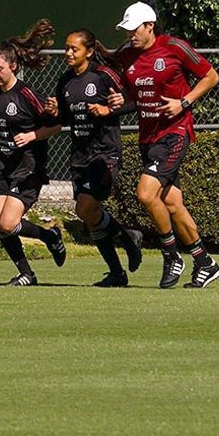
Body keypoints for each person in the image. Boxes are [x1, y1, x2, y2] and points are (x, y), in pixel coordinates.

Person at [113, 2, 219, 288]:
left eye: (134, 29)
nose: (130, 35)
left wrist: (184, 102)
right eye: (126, 31)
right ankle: (204, 262)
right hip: (147, 137)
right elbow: (130, 90)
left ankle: (171, 254)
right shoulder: (126, 55)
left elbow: (211, 76)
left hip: (175, 133)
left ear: (150, 25)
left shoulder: (174, 47)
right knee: (172, 203)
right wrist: (119, 100)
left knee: (146, 194)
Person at [0, 20, 66, 286]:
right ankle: (27, 274)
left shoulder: (28, 94)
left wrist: (32, 135)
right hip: (3, 167)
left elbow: (55, 125)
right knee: (0, 224)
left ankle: (49, 236)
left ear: (13, 67)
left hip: (28, 168)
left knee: (8, 223)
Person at [45, 29, 144, 287]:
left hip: (105, 154)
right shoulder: (65, 80)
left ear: (89, 51)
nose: (67, 53)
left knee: (85, 208)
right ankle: (118, 268)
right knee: (90, 215)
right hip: (79, 156)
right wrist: (55, 112)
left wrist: (109, 108)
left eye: (73, 49)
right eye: (66, 48)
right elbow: (65, 118)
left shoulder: (103, 75)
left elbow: (134, 100)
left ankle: (126, 238)